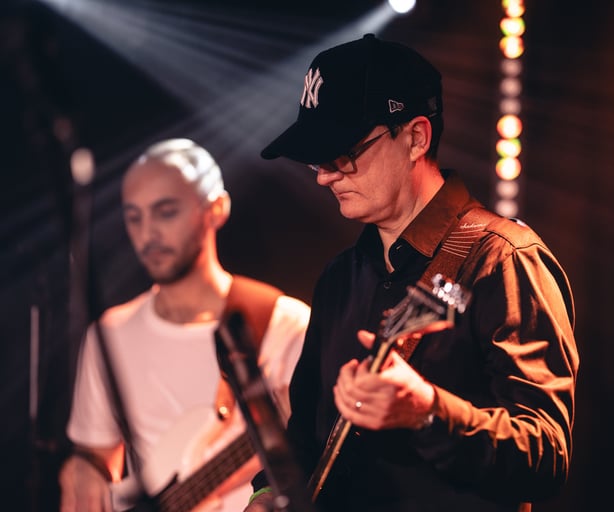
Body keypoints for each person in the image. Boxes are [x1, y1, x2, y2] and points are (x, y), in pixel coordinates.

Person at [245, 33, 579, 512]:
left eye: (343, 153)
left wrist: (427, 411)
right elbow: (302, 439)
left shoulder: (504, 259)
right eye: (316, 159)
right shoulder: (339, 279)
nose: (324, 176)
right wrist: (265, 495)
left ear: (416, 138)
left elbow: (546, 455)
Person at [58, 138, 311, 512]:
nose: (147, 233)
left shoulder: (285, 325)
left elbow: (321, 451)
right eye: (134, 216)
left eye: (165, 212)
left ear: (216, 209)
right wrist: (82, 468)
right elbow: (96, 459)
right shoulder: (109, 333)